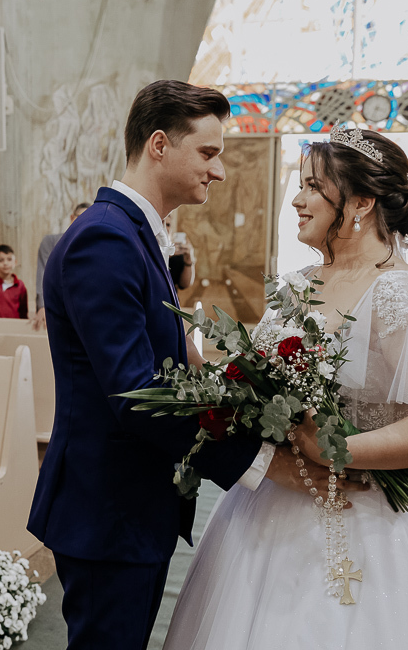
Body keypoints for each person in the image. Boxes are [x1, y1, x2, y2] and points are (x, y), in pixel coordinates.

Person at [163, 128, 408, 650]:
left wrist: (340, 448)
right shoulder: (298, 283)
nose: (297, 199)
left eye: (311, 186)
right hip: (274, 505)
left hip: (377, 525)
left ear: (361, 202)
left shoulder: (404, 295)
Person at [27, 80, 352, 650]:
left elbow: (169, 361)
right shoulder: (103, 240)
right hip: (109, 509)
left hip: (132, 504)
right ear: (159, 145)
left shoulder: (136, 235)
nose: (220, 170)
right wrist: (265, 465)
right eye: (208, 152)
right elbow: (137, 395)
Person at [31, 202, 90, 331]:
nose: (83, 221)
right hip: (55, 306)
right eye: (79, 216)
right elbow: (43, 273)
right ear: (72, 217)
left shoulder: (94, 246)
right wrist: (42, 306)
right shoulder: (50, 242)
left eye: (88, 217)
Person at [163, 211, 195, 291]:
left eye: (168, 225)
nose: (165, 228)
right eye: (162, 223)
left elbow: (184, 284)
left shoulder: (177, 254)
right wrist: (166, 256)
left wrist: (189, 259)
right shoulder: (146, 247)